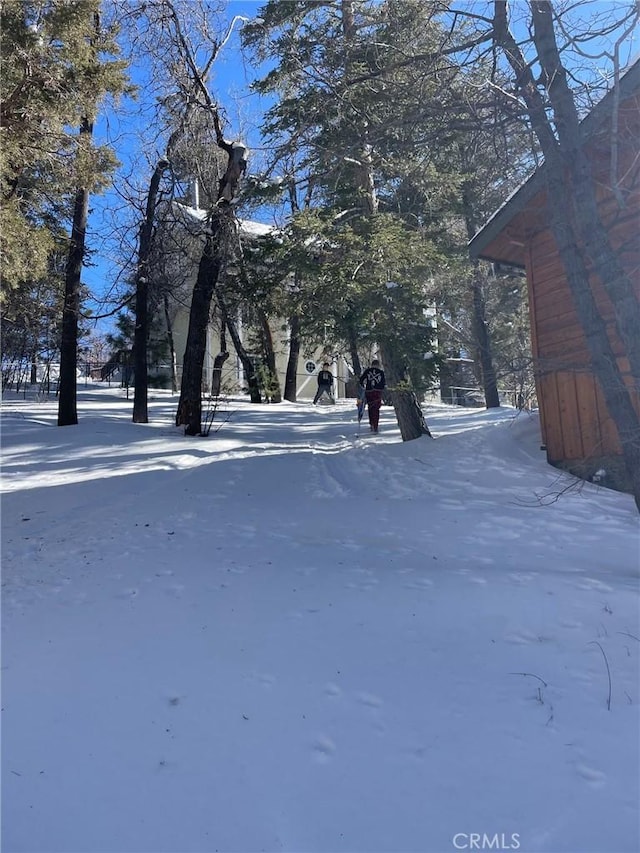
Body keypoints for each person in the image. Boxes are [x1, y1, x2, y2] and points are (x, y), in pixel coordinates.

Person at [359, 359, 386, 432]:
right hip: (377, 392)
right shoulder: (381, 372)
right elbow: (383, 383)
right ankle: (375, 425)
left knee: (370, 408)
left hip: (369, 391)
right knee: (376, 409)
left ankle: (371, 424)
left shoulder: (368, 371)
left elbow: (361, 380)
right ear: (378, 365)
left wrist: (363, 386)